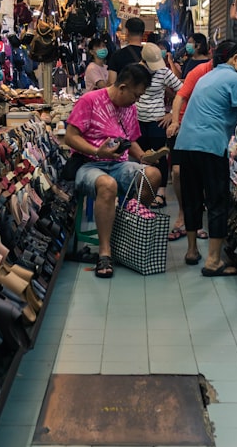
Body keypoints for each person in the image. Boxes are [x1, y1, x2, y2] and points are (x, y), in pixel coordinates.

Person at [172, 41, 237, 275]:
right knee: (217, 201)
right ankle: (213, 262)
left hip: (186, 144)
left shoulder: (206, 76)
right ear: (236, 59)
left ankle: (191, 251)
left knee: (192, 197)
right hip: (210, 145)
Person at [64, 64, 163, 279]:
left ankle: (128, 229)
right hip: (88, 164)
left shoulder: (130, 108)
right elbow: (70, 137)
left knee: (153, 175)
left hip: (119, 164)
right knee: (108, 185)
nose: (136, 100)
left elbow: (131, 141)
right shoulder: (89, 100)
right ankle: (105, 253)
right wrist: (97, 151)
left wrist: (146, 158)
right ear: (123, 87)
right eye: (135, 95)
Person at [165, 44, 216, 241]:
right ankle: (182, 213)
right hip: (185, 127)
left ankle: (194, 221)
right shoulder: (199, 71)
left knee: (201, 173)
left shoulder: (229, 75)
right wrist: (175, 120)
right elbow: (180, 96)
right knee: (178, 172)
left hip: (207, 129)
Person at [136, 42, 182, 208]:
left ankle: (160, 192)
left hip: (157, 121)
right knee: (141, 156)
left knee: (160, 156)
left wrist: (171, 114)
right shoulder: (135, 71)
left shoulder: (163, 72)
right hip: (137, 121)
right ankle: (143, 191)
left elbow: (182, 91)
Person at [107, 17, 145, 86]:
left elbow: (111, 82)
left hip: (124, 95)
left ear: (127, 31)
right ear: (143, 33)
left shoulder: (117, 55)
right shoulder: (150, 55)